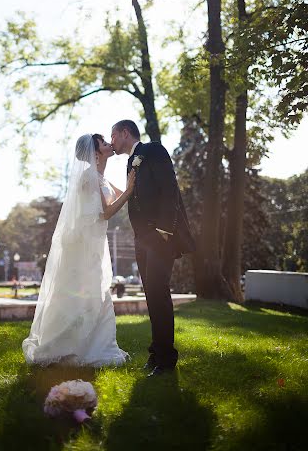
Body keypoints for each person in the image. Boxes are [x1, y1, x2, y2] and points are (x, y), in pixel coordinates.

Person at [22, 133, 136, 367]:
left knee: (97, 290)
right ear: (96, 153)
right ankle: (67, 345)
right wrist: (130, 189)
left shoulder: (101, 177)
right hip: (83, 244)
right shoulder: (89, 176)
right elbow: (106, 212)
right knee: (82, 291)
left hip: (94, 242)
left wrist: (131, 184)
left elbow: (119, 194)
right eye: (104, 143)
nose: (109, 144)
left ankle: (94, 343)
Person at [111, 119, 196, 377]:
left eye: (113, 136)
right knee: (151, 296)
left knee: (159, 294)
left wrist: (165, 230)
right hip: (142, 239)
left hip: (160, 236)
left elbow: (170, 189)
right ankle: (156, 353)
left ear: (125, 133)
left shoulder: (154, 150)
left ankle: (167, 360)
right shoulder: (130, 161)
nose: (111, 141)